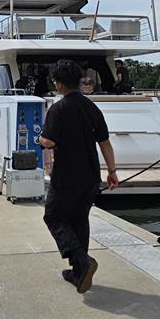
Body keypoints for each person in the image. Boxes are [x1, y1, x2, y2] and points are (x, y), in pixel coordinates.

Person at [39, 59, 119, 294]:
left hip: (67, 176)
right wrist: (112, 172)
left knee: (53, 217)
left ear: (59, 84)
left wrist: (40, 139)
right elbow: (104, 142)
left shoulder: (58, 109)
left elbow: (49, 141)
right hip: (91, 176)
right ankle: (78, 272)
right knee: (79, 220)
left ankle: (82, 261)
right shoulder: (91, 107)